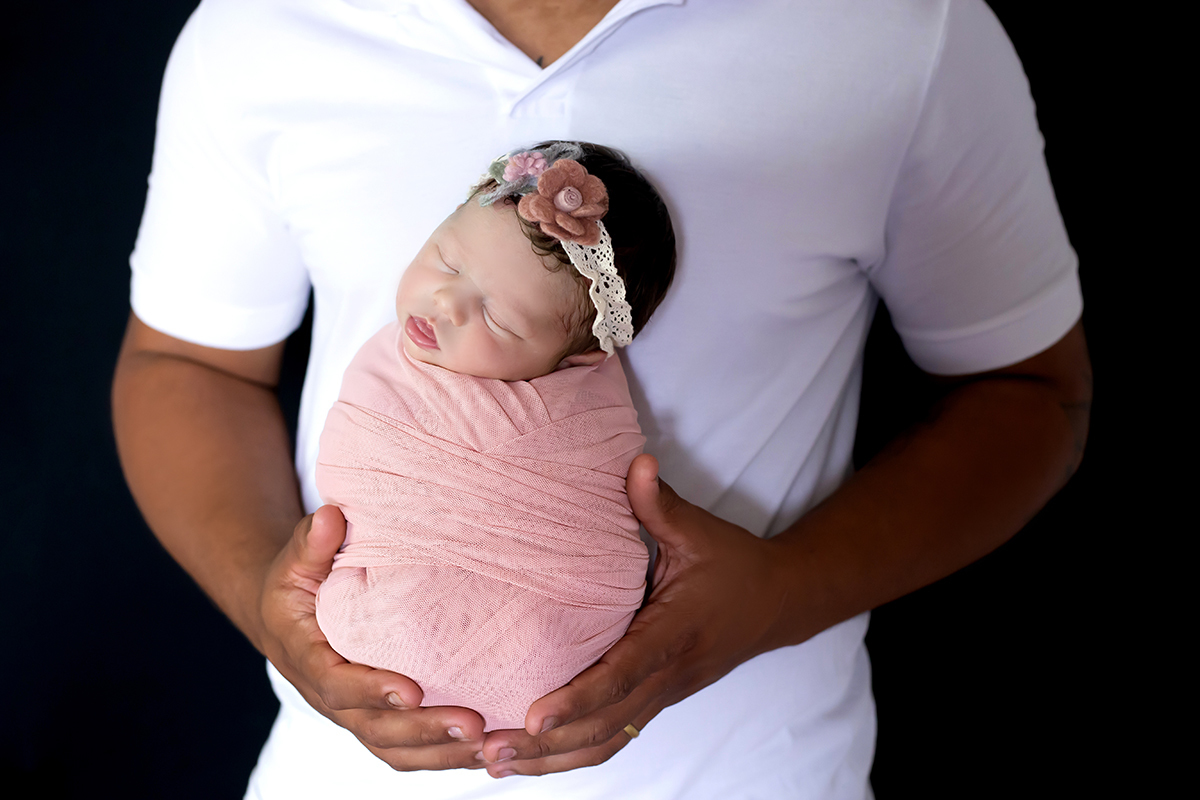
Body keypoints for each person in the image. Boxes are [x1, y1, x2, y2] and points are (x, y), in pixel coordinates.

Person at [111, 1, 1092, 798]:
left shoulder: (905, 29)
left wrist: (787, 592)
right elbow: (188, 365)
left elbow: (1030, 390)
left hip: (748, 775)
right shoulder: (260, 29)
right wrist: (266, 602)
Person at [314, 141, 676, 731]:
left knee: (536, 637)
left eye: (498, 319)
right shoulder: (387, 363)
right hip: (372, 629)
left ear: (580, 361)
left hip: (560, 645)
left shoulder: (588, 416)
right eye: (447, 261)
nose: (445, 303)